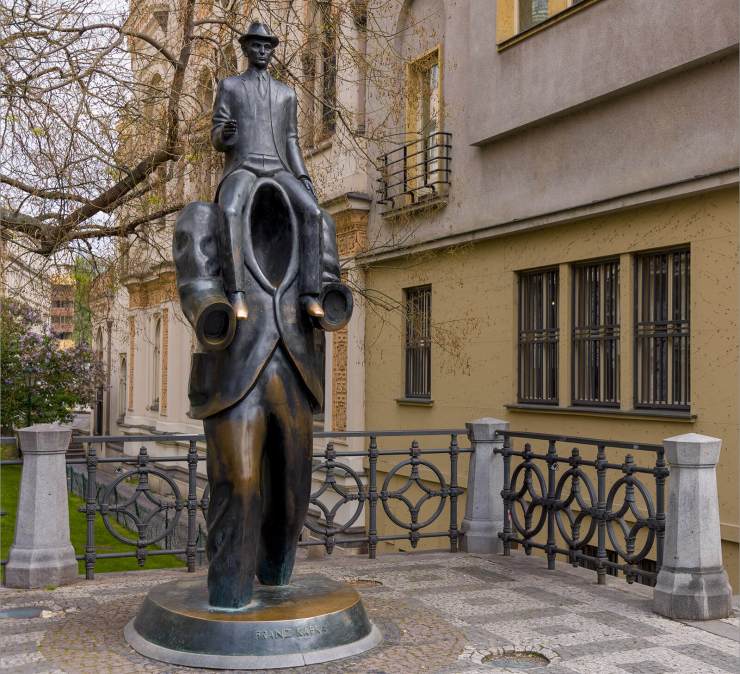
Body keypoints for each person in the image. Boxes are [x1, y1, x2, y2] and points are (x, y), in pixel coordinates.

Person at [211, 21, 325, 321]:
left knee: (313, 212)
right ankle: (236, 294)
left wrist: (302, 176)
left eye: (267, 47)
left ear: (272, 51)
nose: (262, 51)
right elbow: (216, 137)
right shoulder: (231, 86)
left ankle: (310, 294)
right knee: (230, 211)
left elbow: (291, 141)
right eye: (256, 46)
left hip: (278, 168)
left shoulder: (286, 94)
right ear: (246, 49)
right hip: (244, 167)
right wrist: (226, 134)